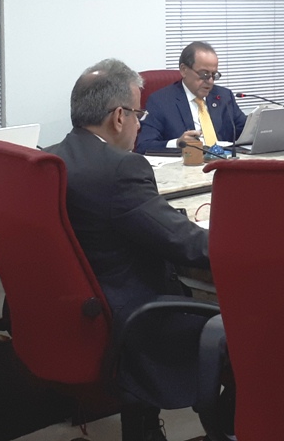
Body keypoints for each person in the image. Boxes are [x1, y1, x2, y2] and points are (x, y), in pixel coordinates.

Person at [48, 59, 213, 435]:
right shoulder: (122, 169)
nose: (140, 125)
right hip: (136, 319)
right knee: (241, 330)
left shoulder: (51, 157)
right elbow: (185, 245)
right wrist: (246, 246)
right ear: (119, 117)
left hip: (81, 311)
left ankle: (143, 425)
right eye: (140, 115)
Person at [135, 41, 247, 154]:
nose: (210, 81)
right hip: (188, 163)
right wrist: (178, 143)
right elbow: (144, 145)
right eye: (204, 74)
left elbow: (245, 131)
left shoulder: (223, 96)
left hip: (224, 160)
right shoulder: (161, 101)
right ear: (184, 70)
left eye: (214, 75)